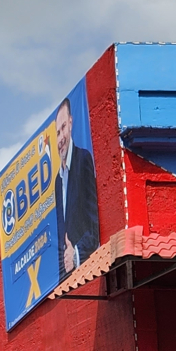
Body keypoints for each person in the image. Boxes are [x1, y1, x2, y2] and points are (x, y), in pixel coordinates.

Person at [55, 97, 99, 276]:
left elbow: (94, 227)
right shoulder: (57, 182)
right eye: (57, 132)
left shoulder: (83, 159)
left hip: (88, 269)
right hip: (67, 279)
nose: (60, 138)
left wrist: (76, 255)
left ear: (71, 123)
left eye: (63, 127)